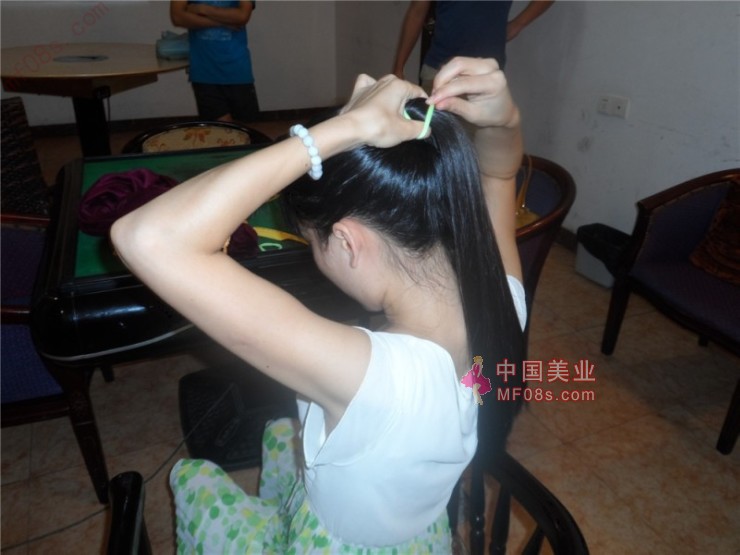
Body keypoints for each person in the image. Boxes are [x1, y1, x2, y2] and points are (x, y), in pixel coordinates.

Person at [111, 56, 527, 552]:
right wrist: (505, 120)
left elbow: (147, 237)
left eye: (312, 241)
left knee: (193, 478)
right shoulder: (501, 299)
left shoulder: (368, 377)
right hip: (421, 532)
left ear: (347, 242)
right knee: (280, 436)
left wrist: (346, 129)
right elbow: (500, 175)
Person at [393, 0, 554, 92]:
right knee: (436, 139)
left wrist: (518, 24)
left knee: (481, 141)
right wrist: (399, 68)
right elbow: (417, 12)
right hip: (439, 73)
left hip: (486, 78)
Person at [170, 0, 260, 123]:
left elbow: (242, 16)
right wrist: (223, 22)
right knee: (218, 131)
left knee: (245, 131)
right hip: (204, 71)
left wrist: (202, 9)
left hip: (237, 69)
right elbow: (177, 17)